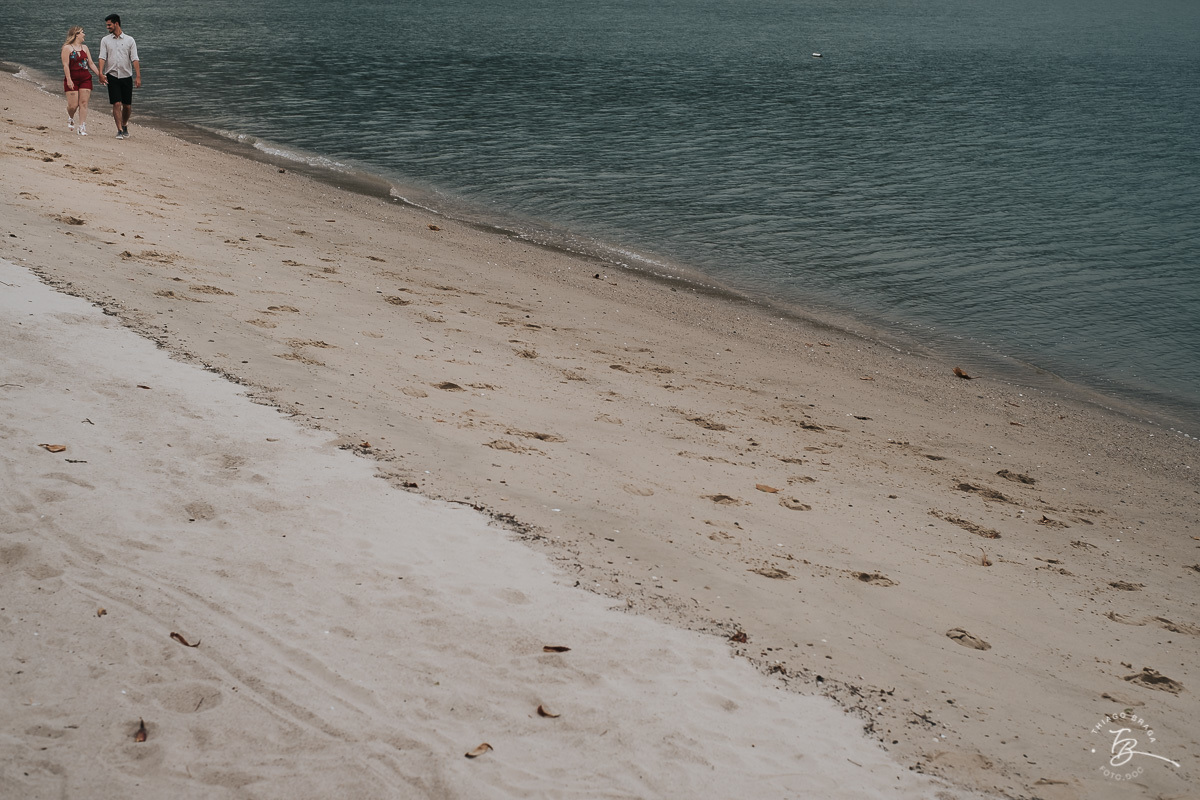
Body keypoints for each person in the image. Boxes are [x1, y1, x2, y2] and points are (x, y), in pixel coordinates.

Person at [97, 13, 140, 140]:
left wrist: (138, 76)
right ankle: (119, 130)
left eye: (109, 25)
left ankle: (124, 124)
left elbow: (135, 58)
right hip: (112, 75)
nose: (107, 27)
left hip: (126, 75)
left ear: (116, 24)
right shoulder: (105, 40)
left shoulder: (129, 40)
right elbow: (102, 57)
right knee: (116, 103)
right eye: (107, 25)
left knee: (127, 106)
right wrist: (100, 73)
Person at [61, 26, 98, 136]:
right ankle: (71, 116)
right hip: (72, 78)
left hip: (85, 78)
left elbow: (91, 63)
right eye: (82, 32)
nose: (84, 34)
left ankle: (82, 127)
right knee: (73, 105)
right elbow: (65, 65)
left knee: (83, 103)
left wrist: (100, 75)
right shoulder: (67, 48)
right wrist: (69, 79)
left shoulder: (85, 48)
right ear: (76, 34)